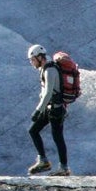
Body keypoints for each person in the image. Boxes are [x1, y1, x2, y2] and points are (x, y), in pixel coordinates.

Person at [26, 44, 71, 176]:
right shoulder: (46, 68)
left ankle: (63, 168)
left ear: (40, 57)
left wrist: (38, 110)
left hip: (55, 109)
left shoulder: (49, 70)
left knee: (57, 137)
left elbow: (48, 93)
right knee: (33, 130)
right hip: (51, 108)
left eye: (32, 59)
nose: (31, 62)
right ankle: (44, 161)